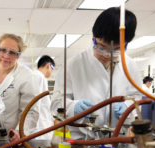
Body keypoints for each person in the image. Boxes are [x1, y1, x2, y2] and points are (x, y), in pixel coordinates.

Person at [51, 7, 142, 140]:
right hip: (81, 141)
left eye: (116, 50)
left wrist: (128, 106)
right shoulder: (73, 65)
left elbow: (137, 98)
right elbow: (56, 104)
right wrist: (73, 107)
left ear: (126, 44)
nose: (107, 55)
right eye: (101, 47)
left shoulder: (131, 66)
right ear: (93, 36)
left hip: (117, 140)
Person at [0, 33, 39, 144]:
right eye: (2, 50)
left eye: (12, 53)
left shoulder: (26, 76)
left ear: (18, 55)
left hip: (11, 139)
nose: (6, 56)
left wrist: (20, 132)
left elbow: (30, 112)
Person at [33, 55, 55, 140]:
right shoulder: (38, 76)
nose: (52, 71)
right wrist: (34, 128)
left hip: (42, 126)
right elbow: (34, 103)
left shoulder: (40, 77)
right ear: (49, 65)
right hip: (39, 128)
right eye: (52, 68)